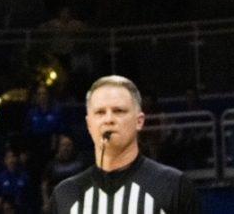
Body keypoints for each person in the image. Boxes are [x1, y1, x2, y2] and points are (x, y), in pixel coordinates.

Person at [47, 76, 200, 214]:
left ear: (139, 121)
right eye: (100, 112)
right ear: (88, 124)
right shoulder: (64, 194)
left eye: (118, 111)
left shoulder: (174, 186)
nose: (109, 119)